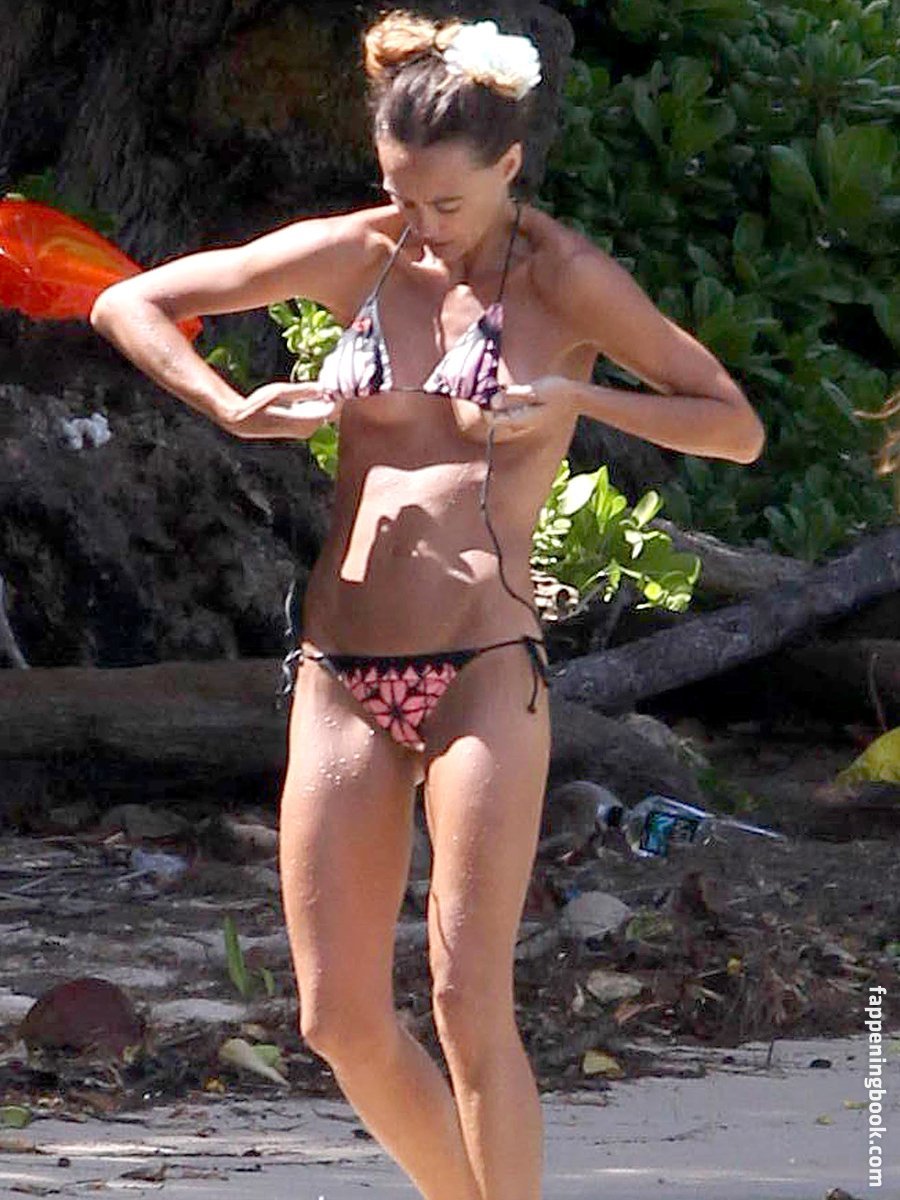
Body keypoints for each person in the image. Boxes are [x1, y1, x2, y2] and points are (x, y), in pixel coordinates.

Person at [90, 10, 765, 1199]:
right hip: (341, 669)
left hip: (482, 668)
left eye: (447, 202)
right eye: (401, 193)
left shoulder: (563, 279)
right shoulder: (362, 252)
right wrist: (228, 404)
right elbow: (128, 303)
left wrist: (580, 398)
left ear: (511, 165)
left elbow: (734, 426)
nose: (422, 222)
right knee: (337, 1017)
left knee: (464, 997)